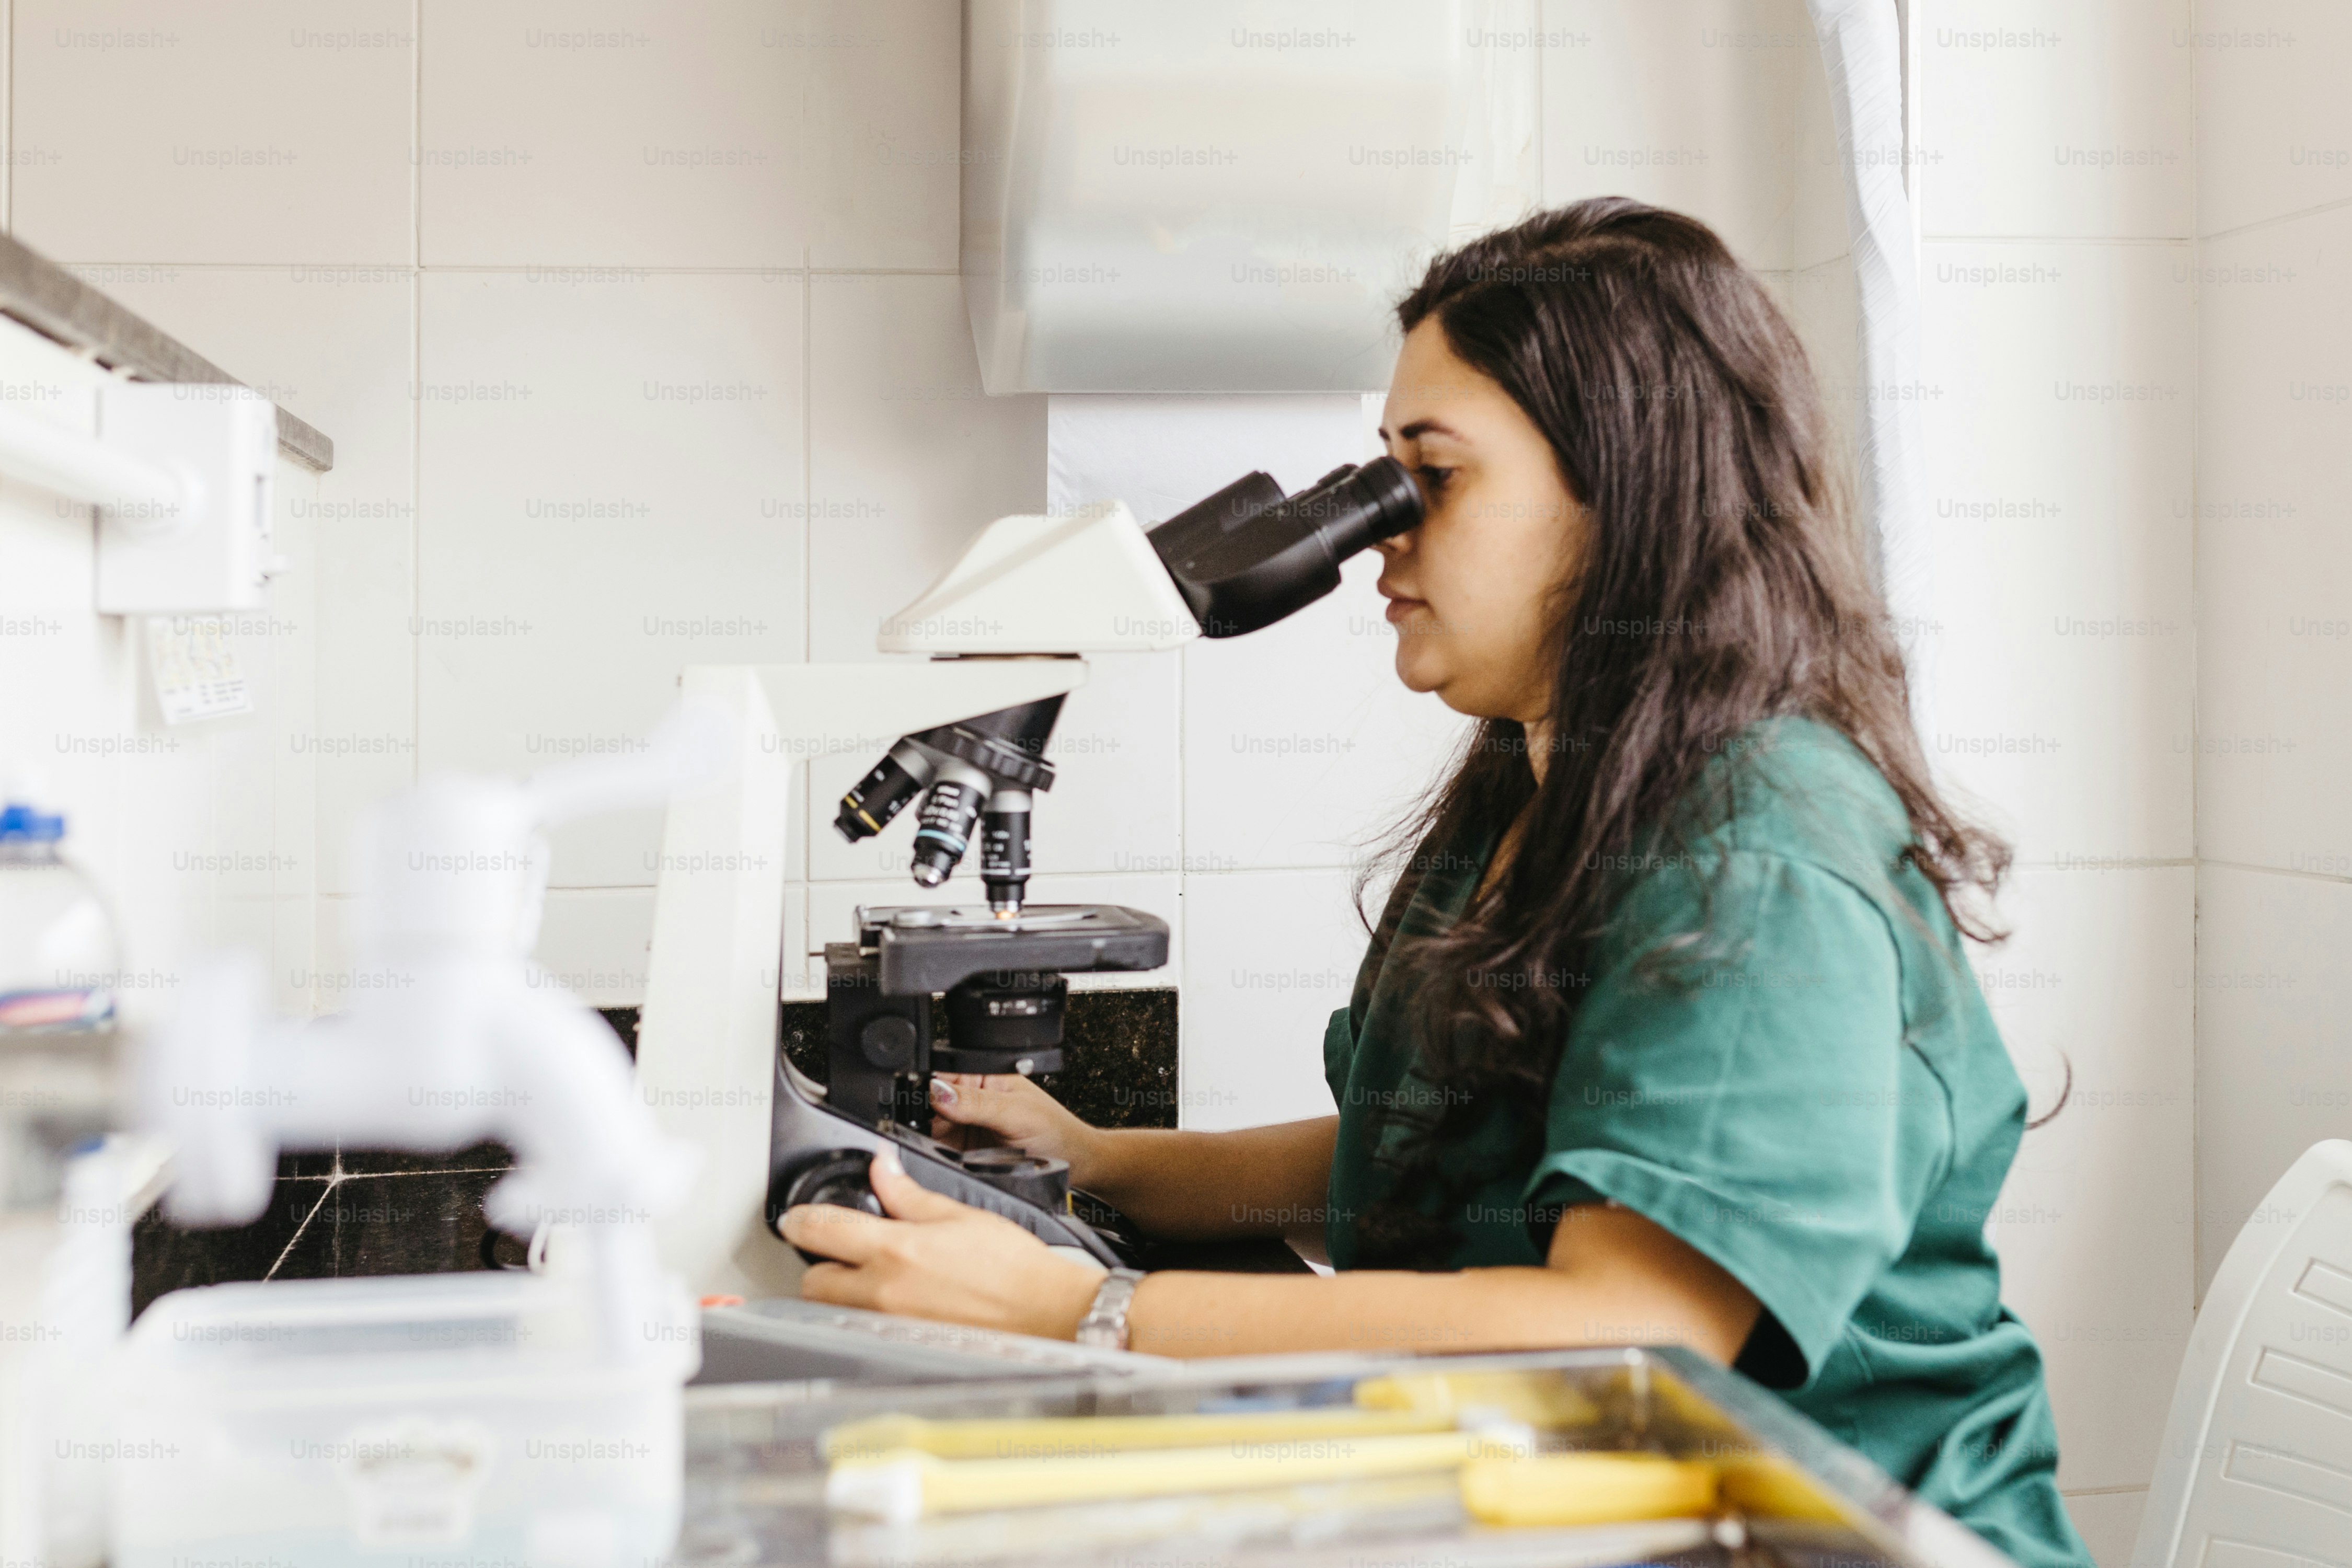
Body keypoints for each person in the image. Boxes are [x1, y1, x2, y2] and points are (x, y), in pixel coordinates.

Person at [782, 198, 2094, 1568]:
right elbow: (1442, 1150)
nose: (1376, 540)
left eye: (1432, 479)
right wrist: (1110, 1169)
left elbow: (1626, 1330)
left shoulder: (1751, 858)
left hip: (1822, 1532)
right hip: (1585, 1503)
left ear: (1622, 492)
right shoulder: (1542, 785)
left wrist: (1083, 1314)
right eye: (1377, 480)